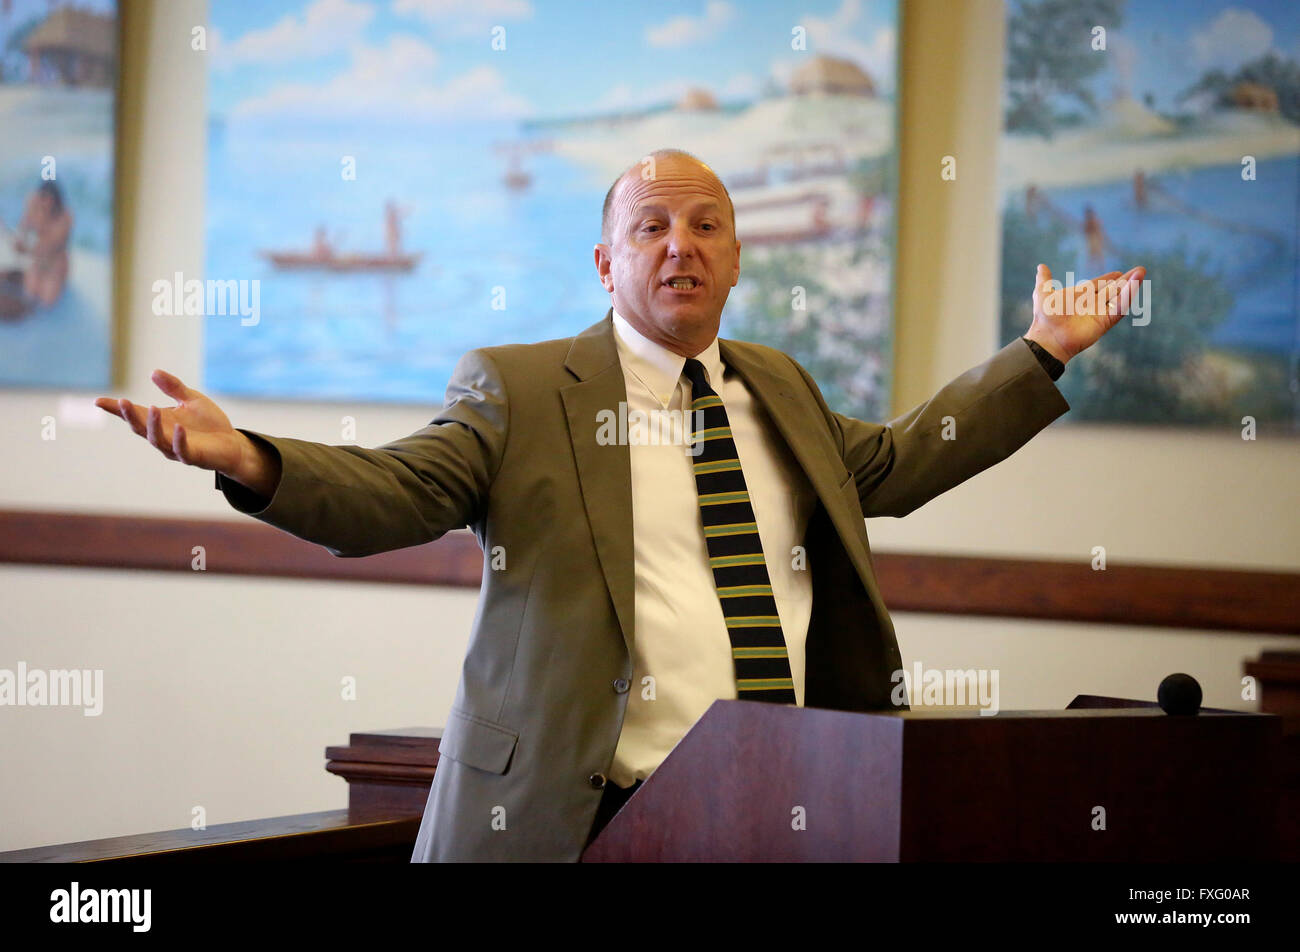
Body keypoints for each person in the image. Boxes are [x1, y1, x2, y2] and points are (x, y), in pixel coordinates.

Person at [95, 149, 1145, 862]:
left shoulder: (780, 386)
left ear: (735, 258)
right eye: (650, 226)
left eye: (704, 225)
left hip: (775, 808)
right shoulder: (521, 387)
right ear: (607, 263)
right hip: (572, 817)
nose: (678, 243)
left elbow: (905, 463)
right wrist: (255, 458)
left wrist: (1040, 351)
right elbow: (397, 490)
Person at [12, 181, 73, 307]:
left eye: (50, 199)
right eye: (44, 197)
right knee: (30, 291)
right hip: (38, 260)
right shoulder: (33, 202)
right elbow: (24, 225)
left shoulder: (65, 217)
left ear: (56, 200)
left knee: (48, 299)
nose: (46, 203)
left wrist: (27, 250)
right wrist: (20, 239)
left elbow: (51, 245)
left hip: (56, 261)